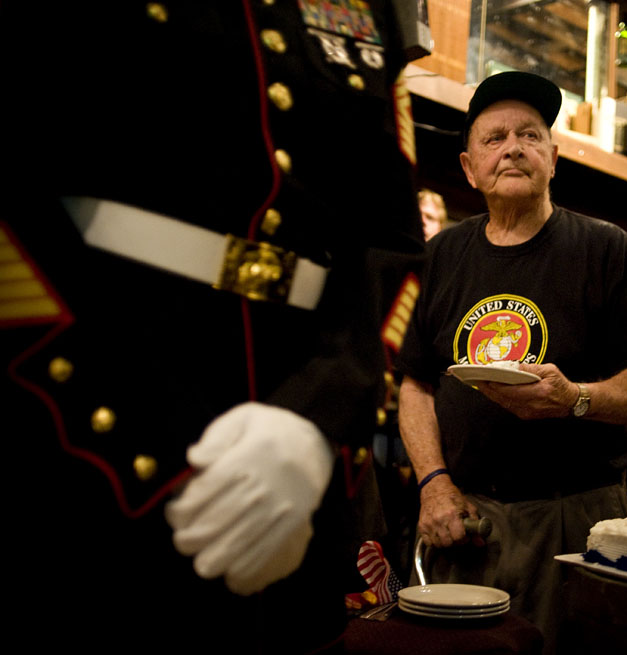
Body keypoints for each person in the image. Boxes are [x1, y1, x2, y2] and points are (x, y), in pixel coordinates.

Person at [1, 2, 424, 653]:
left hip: (302, 484)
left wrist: (314, 422)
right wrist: (152, 453)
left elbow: (389, 248)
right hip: (85, 440)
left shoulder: (370, 8)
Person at [395, 71, 627, 653]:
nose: (512, 148)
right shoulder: (441, 254)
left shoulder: (605, 248)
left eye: (529, 135)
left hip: (573, 518)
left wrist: (576, 398)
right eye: (494, 138)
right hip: (463, 517)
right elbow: (416, 385)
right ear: (468, 167)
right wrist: (433, 483)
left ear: (553, 159)